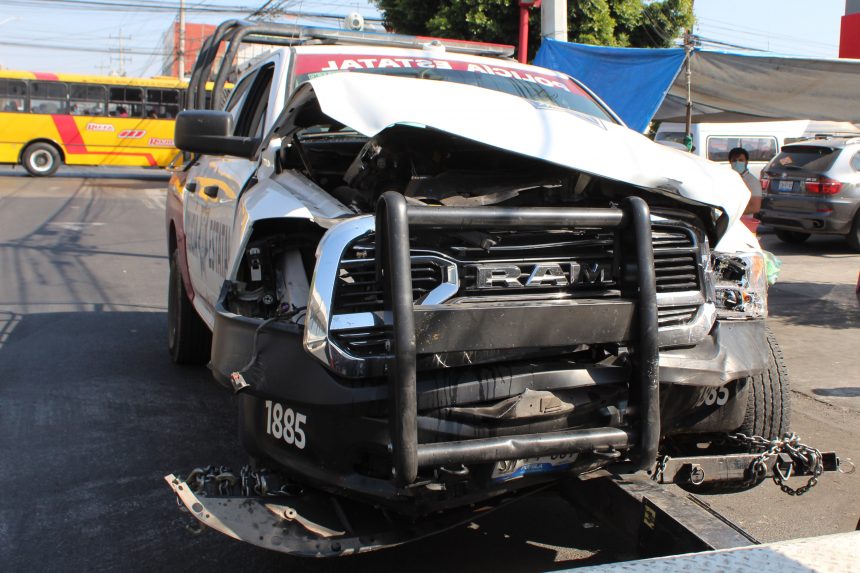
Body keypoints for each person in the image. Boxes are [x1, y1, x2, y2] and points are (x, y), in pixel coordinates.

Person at [728, 147, 761, 215]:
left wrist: (733, 213)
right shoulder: (728, 179)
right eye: (734, 160)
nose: (737, 163)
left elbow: (755, 207)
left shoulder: (753, 182)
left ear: (746, 162)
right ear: (730, 162)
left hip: (744, 221)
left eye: (740, 160)